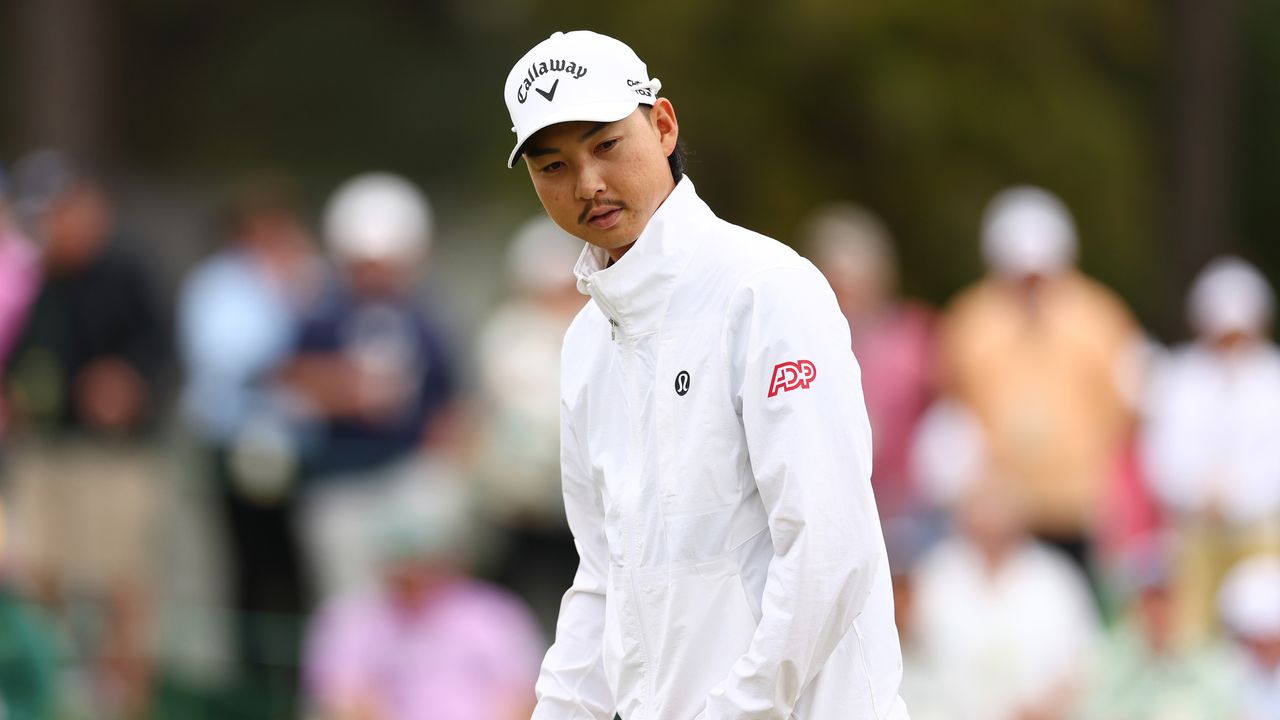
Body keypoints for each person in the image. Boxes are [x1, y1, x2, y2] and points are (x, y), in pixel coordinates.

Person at [503, 31, 907, 719]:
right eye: (553, 165)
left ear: (662, 125)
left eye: (606, 145)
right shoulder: (585, 346)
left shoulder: (767, 290)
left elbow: (828, 550)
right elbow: (604, 580)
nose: (588, 184)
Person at [937, 186, 1142, 578]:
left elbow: (1126, 411)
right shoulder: (970, 322)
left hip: (1078, 506)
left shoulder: (1101, 319)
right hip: (997, 512)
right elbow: (955, 410)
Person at [303, 479, 544, 720]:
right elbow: (342, 703)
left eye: (424, 556)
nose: (413, 569)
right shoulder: (350, 617)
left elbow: (523, 699)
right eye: (402, 556)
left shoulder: (497, 613)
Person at [1141, 257, 1280, 642]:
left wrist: (1238, 496)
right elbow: (1162, 456)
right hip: (1194, 529)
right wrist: (1197, 493)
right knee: (1191, 629)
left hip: (1261, 530)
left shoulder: (1273, 377)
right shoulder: (1181, 378)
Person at [472, 214, 586, 636]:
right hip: (521, 508)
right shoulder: (507, 334)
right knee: (515, 610)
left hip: (586, 507)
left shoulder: (598, 325)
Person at [801, 204, 936, 525]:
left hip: (907, 507)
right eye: (837, 282)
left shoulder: (915, 338)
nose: (847, 295)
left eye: (854, 281)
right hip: (828, 505)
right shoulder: (801, 343)